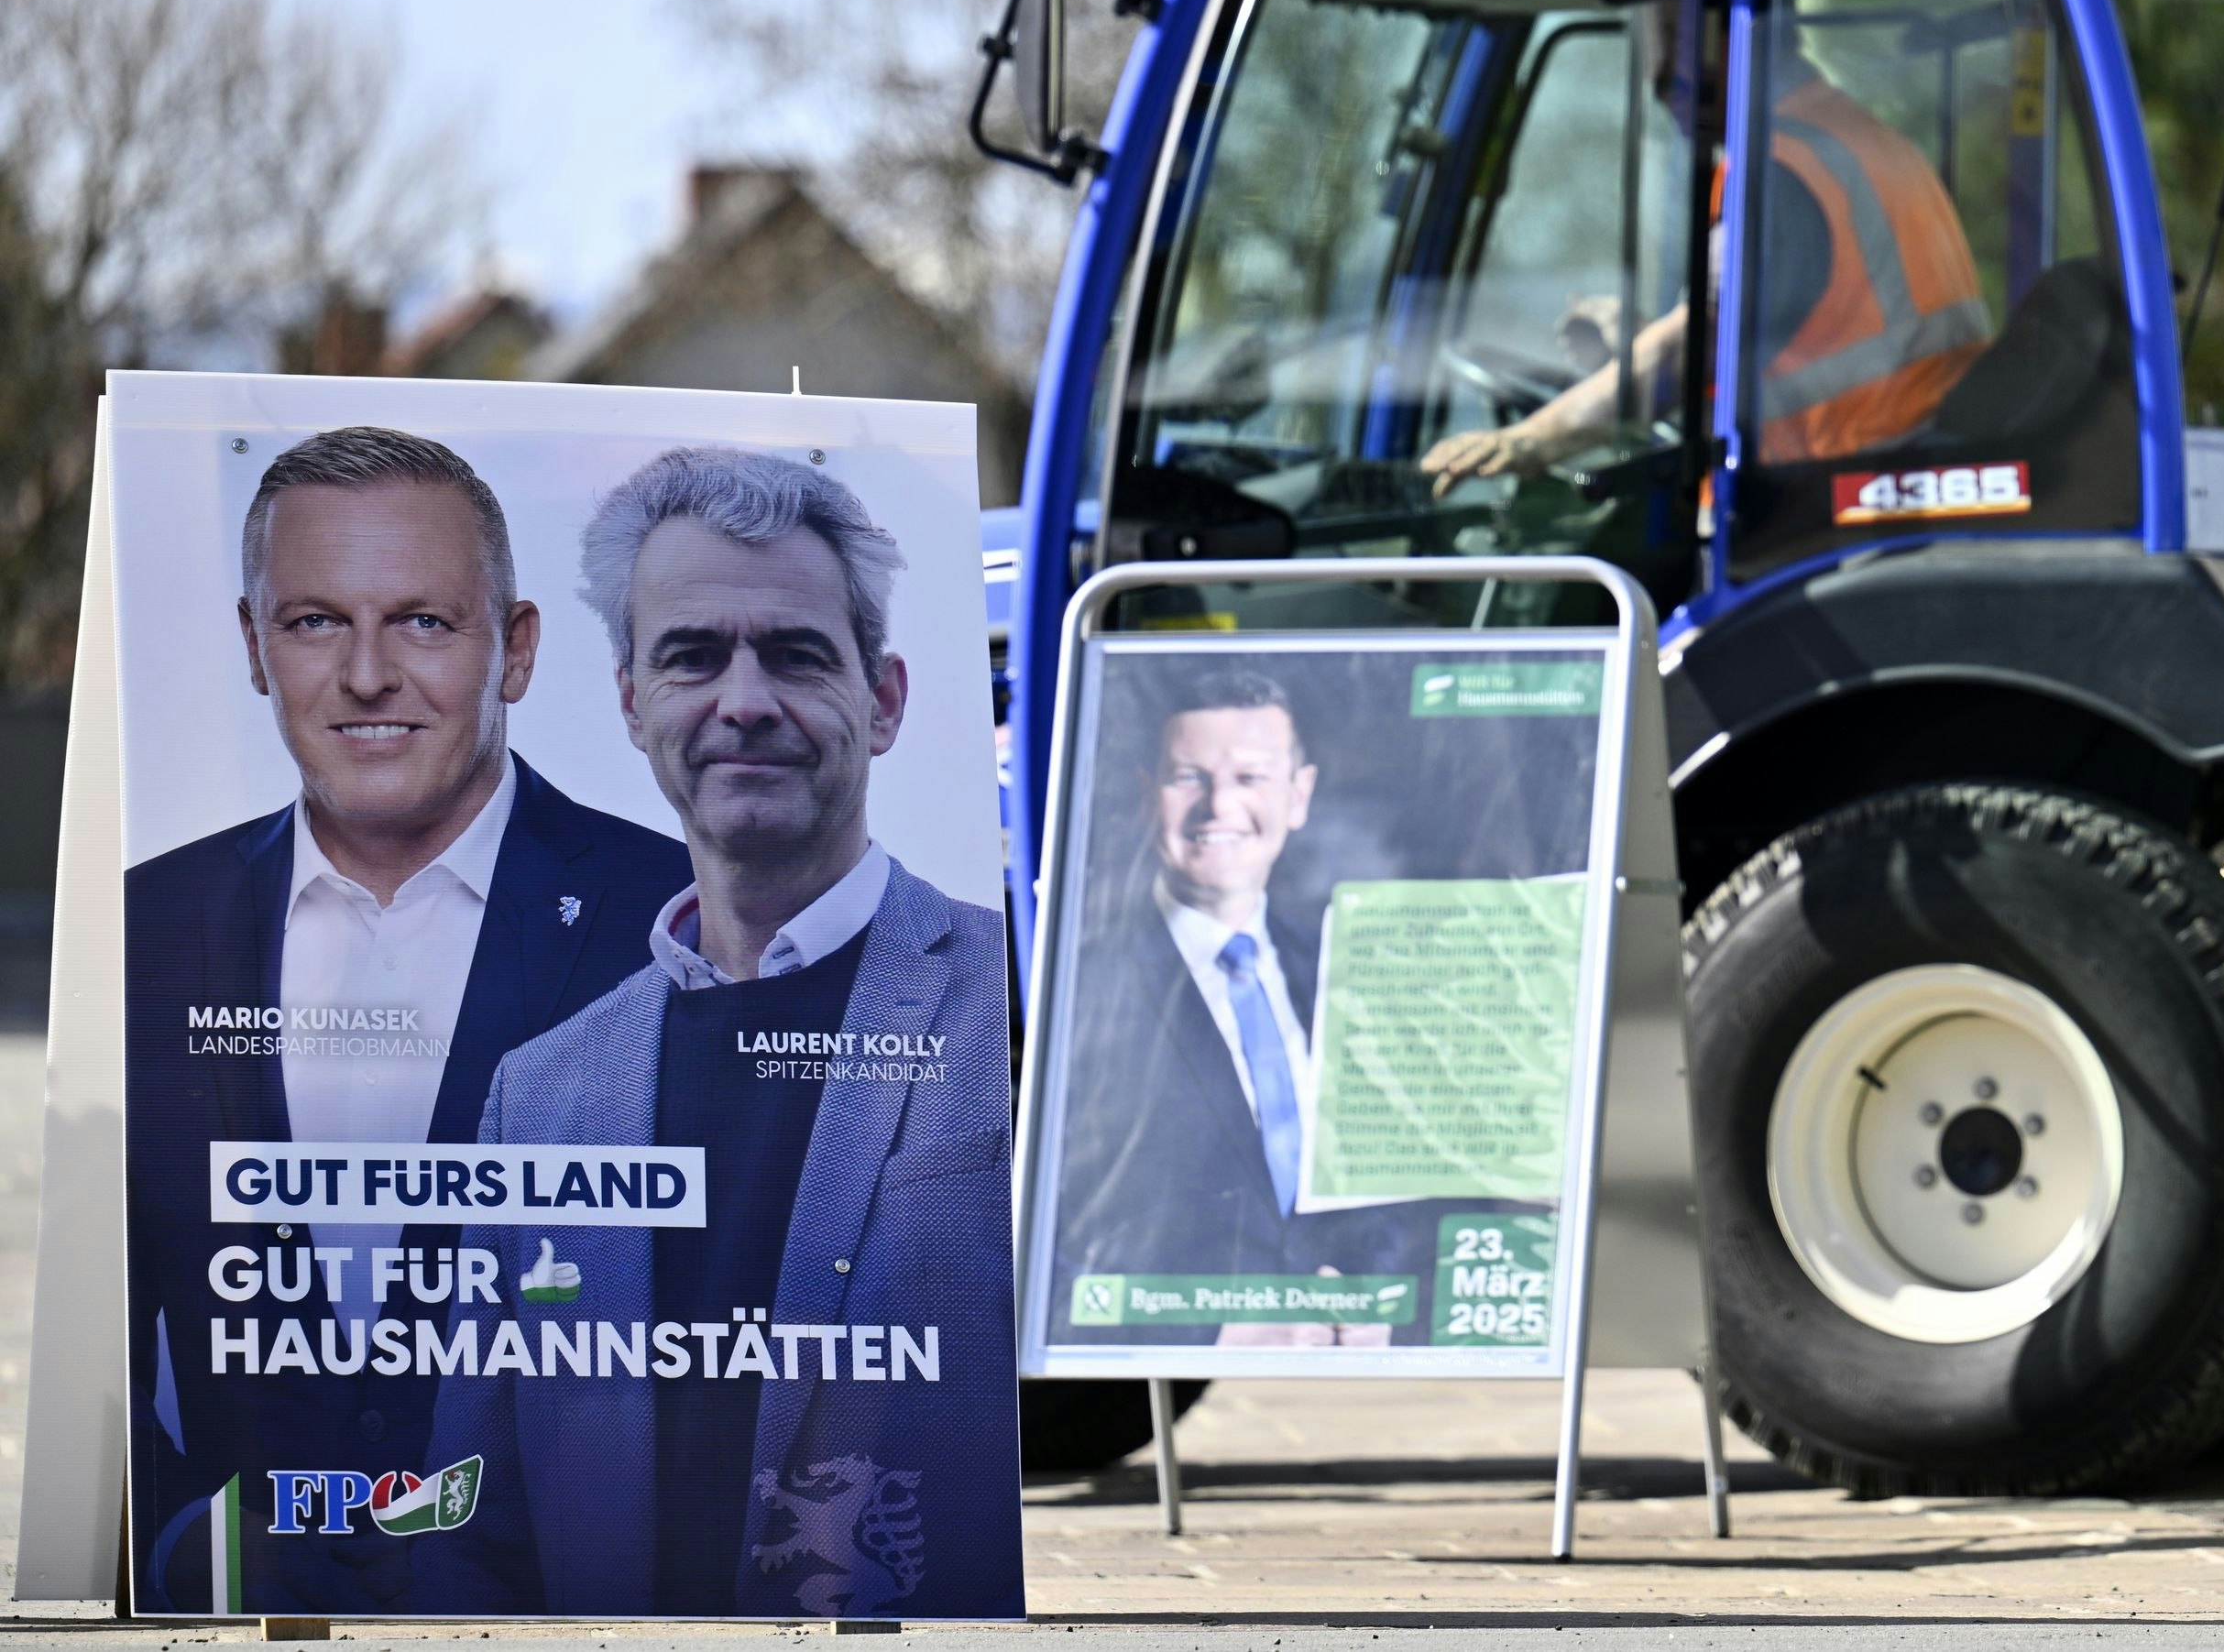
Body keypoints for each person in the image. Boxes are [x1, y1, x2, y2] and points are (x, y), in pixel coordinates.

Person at [413, 448, 1014, 1621]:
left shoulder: (1005, 996)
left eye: (794, 653)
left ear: (883, 699)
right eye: (693, 657)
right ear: (634, 702)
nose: (744, 700)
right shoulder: (538, 1093)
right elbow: (469, 1515)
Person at [123, 426, 690, 1616]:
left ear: (516, 647)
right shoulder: (148, 923)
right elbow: (110, 1321)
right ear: (254, 644)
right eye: (317, 620)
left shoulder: (680, 921)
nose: (369, 674)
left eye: (424, 622)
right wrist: (191, 1542)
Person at [1421, 34, 1989, 489]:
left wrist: (1536, 438)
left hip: (1831, 496)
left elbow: (1700, 340)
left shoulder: (1783, 168)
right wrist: (1642, 339)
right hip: (1896, 472)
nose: (1660, 79)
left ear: (1726, 23)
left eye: (1673, 40)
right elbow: (1793, 335)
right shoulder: (1845, 135)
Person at [1043, 672, 1414, 1348]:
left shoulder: (1337, 967)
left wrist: (1367, 1292)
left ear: (1298, 795)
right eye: (1189, 777)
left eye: (1250, 778)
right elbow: (1052, 1234)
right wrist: (1210, 1332)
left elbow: (1386, 1174)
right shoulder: (1081, 979)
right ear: (1144, 792)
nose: (1219, 806)